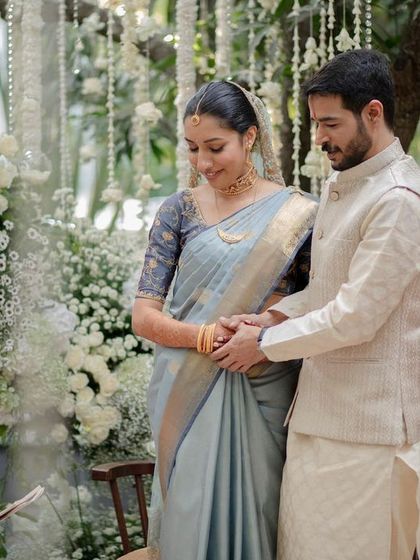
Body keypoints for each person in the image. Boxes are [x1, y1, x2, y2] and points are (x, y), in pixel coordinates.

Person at [211, 49, 420, 560]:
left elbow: (356, 316)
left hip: (368, 434)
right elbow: (328, 293)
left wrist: (262, 344)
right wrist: (270, 317)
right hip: (318, 418)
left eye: (331, 123)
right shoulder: (343, 184)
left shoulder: (398, 199)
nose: (319, 138)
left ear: (373, 113)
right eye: (315, 123)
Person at [132, 80, 317, 560]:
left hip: (266, 381)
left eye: (216, 147)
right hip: (187, 384)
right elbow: (144, 314)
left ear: (250, 138)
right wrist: (206, 336)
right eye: (193, 149)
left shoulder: (299, 216)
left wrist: (264, 327)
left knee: (263, 511)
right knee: (190, 516)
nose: (203, 163)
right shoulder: (178, 210)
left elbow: (315, 302)